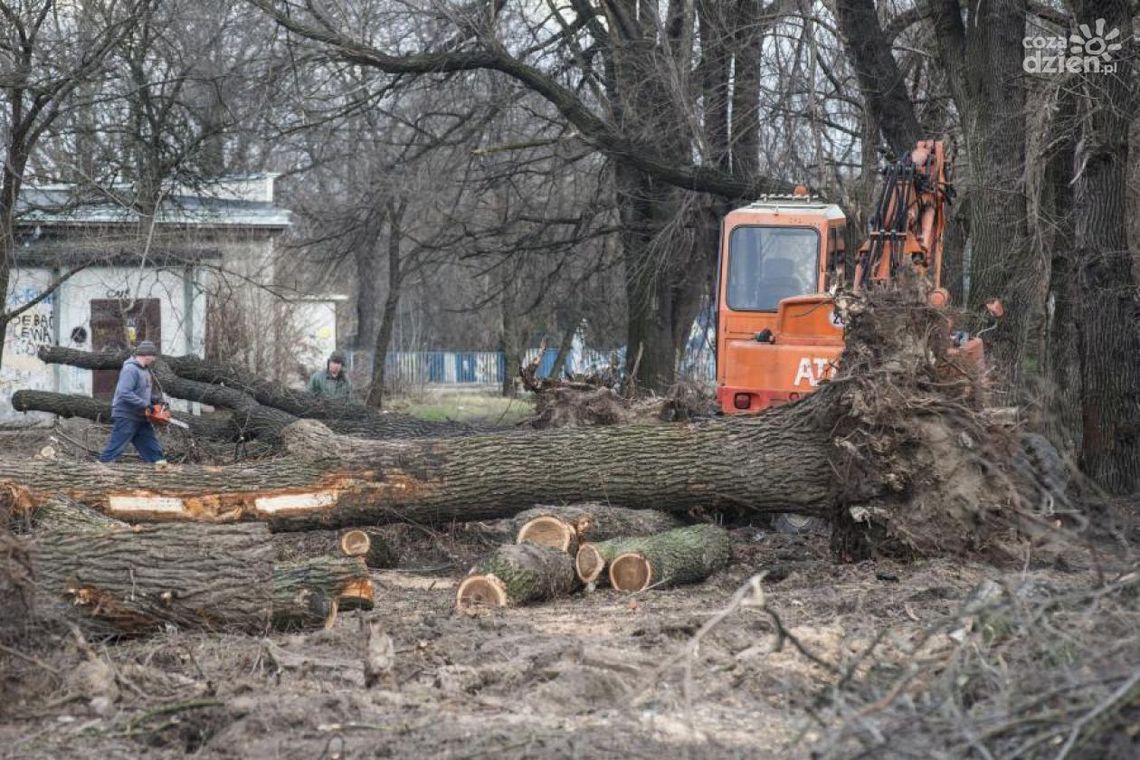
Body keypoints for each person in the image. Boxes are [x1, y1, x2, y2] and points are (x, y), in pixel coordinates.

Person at [98, 340, 168, 466]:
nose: (153, 359)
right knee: (115, 448)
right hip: (126, 415)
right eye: (153, 356)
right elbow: (124, 393)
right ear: (146, 355)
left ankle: (160, 471)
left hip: (141, 417)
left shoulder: (145, 371)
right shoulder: (130, 369)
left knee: (152, 449)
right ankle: (98, 471)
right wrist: (145, 405)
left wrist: (155, 400)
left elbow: (142, 392)